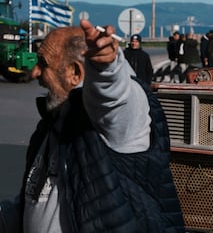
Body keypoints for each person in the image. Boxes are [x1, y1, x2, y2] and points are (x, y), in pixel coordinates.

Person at [0, 20, 184, 231]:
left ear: (75, 73)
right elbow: (35, 200)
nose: (35, 73)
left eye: (44, 63)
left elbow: (112, 97)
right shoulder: (53, 122)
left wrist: (105, 67)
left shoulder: (120, 117)